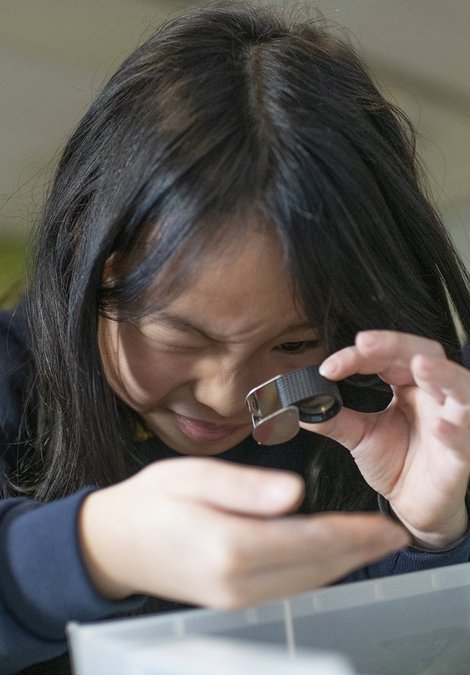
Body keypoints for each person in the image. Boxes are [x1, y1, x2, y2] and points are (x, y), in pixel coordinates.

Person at [2, 2, 470, 672]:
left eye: (293, 345)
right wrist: (99, 545)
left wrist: (434, 533)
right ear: (86, 252)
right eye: (179, 335)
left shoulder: (401, 415)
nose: (227, 398)